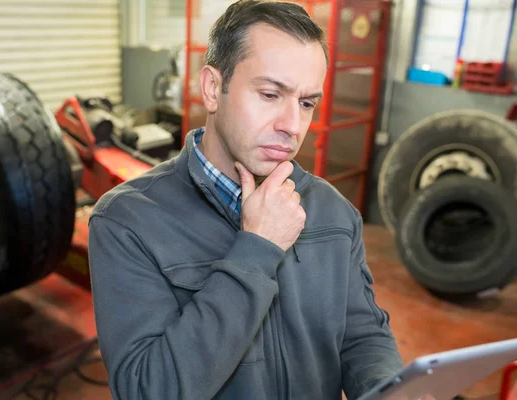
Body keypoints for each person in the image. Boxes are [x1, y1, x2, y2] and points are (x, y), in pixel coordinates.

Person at [88, 1, 403, 399]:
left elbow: (361, 335)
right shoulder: (127, 222)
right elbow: (148, 390)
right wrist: (257, 250)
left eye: (306, 103)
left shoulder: (333, 212)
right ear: (212, 89)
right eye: (271, 94)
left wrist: (388, 386)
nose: (292, 126)